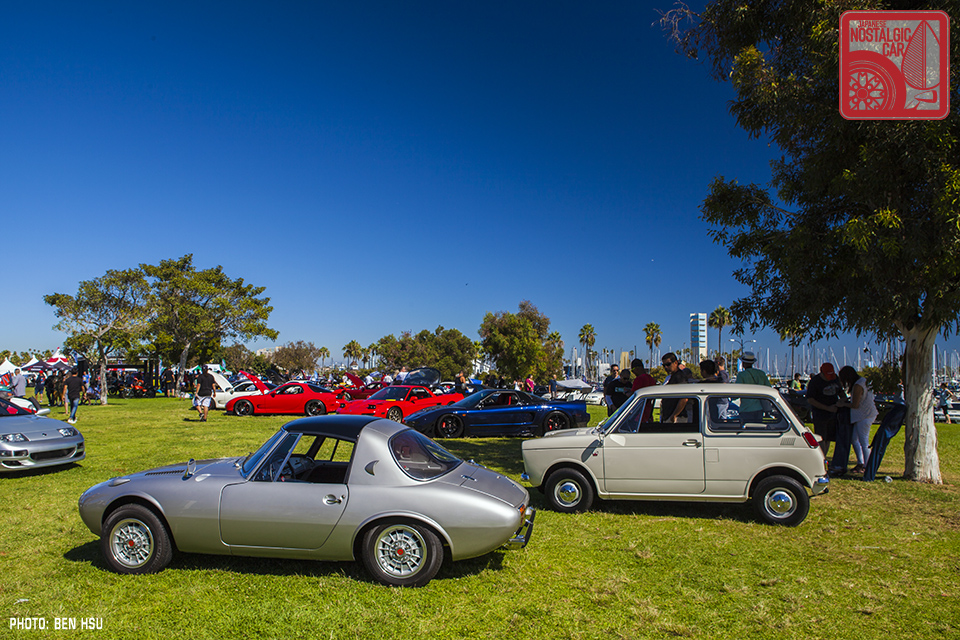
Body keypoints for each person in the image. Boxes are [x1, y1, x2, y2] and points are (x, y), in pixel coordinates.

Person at [838, 366, 878, 474]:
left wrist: (842, 404)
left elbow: (855, 405)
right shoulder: (863, 381)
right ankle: (861, 462)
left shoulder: (858, 385)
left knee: (863, 441)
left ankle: (867, 465)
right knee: (854, 439)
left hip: (864, 415)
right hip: (865, 414)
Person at [806, 363, 848, 458]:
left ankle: (824, 456)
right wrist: (827, 408)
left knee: (829, 437)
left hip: (833, 413)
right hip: (820, 414)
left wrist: (841, 401)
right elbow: (810, 400)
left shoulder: (835, 379)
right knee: (821, 437)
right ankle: (821, 457)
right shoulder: (815, 382)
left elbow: (841, 394)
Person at [735, 351, 770, 422]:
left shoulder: (741, 375)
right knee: (758, 427)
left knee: (746, 427)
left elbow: (737, 392)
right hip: (759, 408)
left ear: (743, 363)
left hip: (746, 408)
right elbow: (768, 388)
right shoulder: (761, 374)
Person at [660, 352, 693, 422]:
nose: (666, 367)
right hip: (670, 417)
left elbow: (684, 398)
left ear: (675, 363)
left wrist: (674, 415)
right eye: (664, 365)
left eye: (668, 364)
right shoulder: (673, 377)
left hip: (677, 418)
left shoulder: (680, 377)